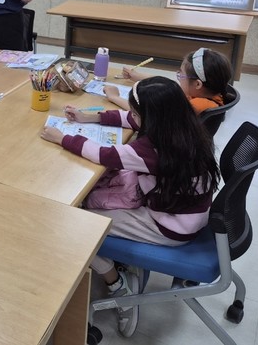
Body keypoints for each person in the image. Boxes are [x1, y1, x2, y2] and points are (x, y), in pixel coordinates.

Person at [40, 76, 220, 337]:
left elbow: (103, 154)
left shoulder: (150, 150)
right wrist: (88, 117)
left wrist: (62, 137)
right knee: (101, 188)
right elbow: (131, 120)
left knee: (75, 222)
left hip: (169, 227)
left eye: (136, 112)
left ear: (151, 117)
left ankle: (118, 285)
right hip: (182, 211)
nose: (132, 117)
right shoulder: (181, 125)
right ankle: (121, 263)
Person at [104, 48, 233, 113]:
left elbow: (146, 114)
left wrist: (114, 97)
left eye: (181, 75)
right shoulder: (208, 93)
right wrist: (135, 75)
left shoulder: (196, 105)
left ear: (198, 84)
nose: (179, 77)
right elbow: (167, 84)